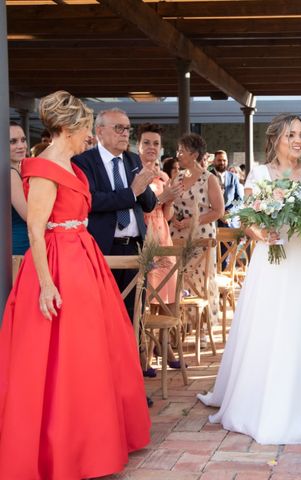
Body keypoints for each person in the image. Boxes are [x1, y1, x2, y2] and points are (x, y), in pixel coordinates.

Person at [0, 90, 150, 479]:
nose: (89, 134)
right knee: (67, 357)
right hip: (58, 264)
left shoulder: (74, 165)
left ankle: (95, 442)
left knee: (97, 351)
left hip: (85, 260)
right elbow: (36, 228)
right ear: (67, 127)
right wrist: (47, 285)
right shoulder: (43, 168)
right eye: (85, 126)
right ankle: (64, 448)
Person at [198, 114, 301, 444]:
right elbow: (247, 219)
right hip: (270, 261)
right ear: (276, 138)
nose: (298, 140)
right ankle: (259, 401)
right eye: (291, 134)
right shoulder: (259, 173)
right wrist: (261, 233)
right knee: (267, 327)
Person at [72, 108, 157, 320]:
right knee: (101, 313)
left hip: (135, 247)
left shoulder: (133, 160)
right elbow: (91, 201)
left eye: (128, 129)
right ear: (99, 131)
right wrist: (131, 193)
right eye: (119, 128)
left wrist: (145, 185)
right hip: (103, 248)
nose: (125, 133)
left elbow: (149, 205)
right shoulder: (84, 162)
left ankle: (134, 354)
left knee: (134, 312)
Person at [137, 123, 184, 374]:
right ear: (138, 145)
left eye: (155, 143)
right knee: (144, 298)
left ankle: (163, 348)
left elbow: (166, 215)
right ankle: (143, 351)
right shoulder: (134, 173)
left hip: (161, 233)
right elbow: (141, 208)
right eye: (146, 143)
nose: (151, 147)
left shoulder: (163, 176)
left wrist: (171, 198)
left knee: (162, 298)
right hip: (144, 236)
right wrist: (162, 198)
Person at [170, 133, 224, 341]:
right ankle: (181, 326)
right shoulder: (177, 178)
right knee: (180, 280)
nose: (178, 155)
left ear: (193, 154)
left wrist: (193, 221)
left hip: (202, 236)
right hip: (178, 235)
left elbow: (218, 211)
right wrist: (175, 218)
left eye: (181, 151)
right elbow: (171, 204)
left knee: (201, 281)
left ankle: (202, 328)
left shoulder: (209, 178)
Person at [9, 121, 29, 254]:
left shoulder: (20, 169)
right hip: (20, 245)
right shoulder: (10, 173)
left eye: (23, 140)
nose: (21, 146)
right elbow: (28, 214)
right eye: (13, 141)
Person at [212, 149, 243, 228]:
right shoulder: (207, 176)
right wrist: (219, 214)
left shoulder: (233, 177)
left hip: (229, 221)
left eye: (224, 160)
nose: (222, 162)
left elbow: (239, 199)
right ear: (214, 161)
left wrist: (230, 212)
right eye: (219, 160)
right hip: (212, 221)